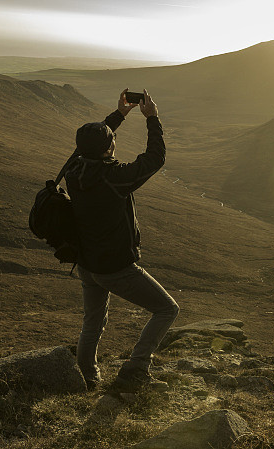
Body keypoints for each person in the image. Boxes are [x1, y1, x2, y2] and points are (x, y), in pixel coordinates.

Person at [65, 88, 179, 392]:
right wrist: (152, 118)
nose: (114, 142)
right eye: (112, 140)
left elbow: (93, 143)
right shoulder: (115, 177)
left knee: (93, 322)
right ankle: (136, 368)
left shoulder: (74, 168)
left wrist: (120, 115)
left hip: (87, 263)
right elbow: (155, 158)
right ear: (107, 149)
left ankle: (87, 377)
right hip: (114, 267)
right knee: (167, 310)